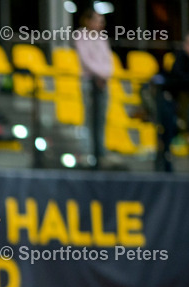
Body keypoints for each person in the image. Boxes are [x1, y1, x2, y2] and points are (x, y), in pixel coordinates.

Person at [156, 31, 189, 172]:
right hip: (169, 98)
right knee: (169, 126)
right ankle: (165, 159)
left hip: (187, 101)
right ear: (186, 45)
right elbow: (178, 77)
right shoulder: (179, 56)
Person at [74, 8, 112, 169]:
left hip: (103, 83)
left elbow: (109, 60)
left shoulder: (102, 38)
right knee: (89, 119)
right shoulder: (81, 36)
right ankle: (89, 154)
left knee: (101, 119)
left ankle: (100, 154)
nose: (100, 24)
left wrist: (105, 75)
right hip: (89, 82)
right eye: (97, 20)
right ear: (88, 21)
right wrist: (99, 75)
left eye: (102, 21)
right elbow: (86, 60)